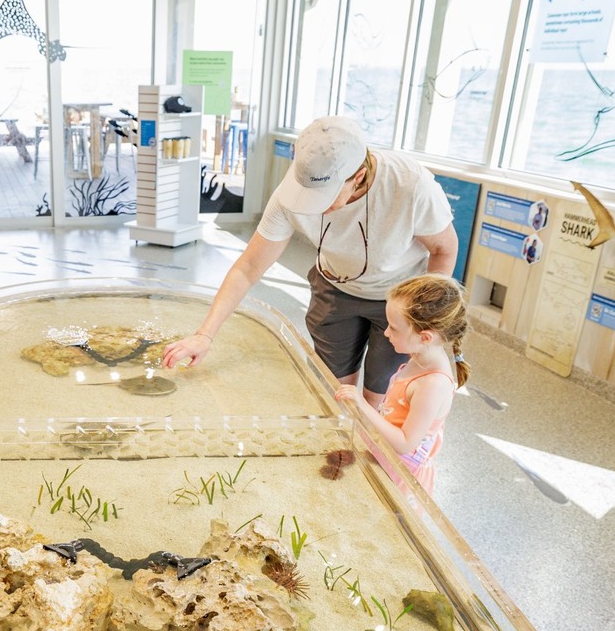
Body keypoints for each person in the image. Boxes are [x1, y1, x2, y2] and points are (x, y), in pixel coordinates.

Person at [161, 116, 459, 410]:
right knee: (336, 390)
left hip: (399, 300)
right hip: (334, 287)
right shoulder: (289, 195)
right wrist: (205, 334)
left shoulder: (410, 185)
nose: (315, 206)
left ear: (357, 177)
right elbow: (248, 268)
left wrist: (422, 318)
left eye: (326, 196)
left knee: (378, 395)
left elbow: (444, 249)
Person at [333, 274, 470, 493]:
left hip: (401, 475)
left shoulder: (432, 385)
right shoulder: (418, 356)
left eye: (394, 328)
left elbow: (406, 443)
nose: (386, 332)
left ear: (425, 337)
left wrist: (363, 406)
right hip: (384, 456)